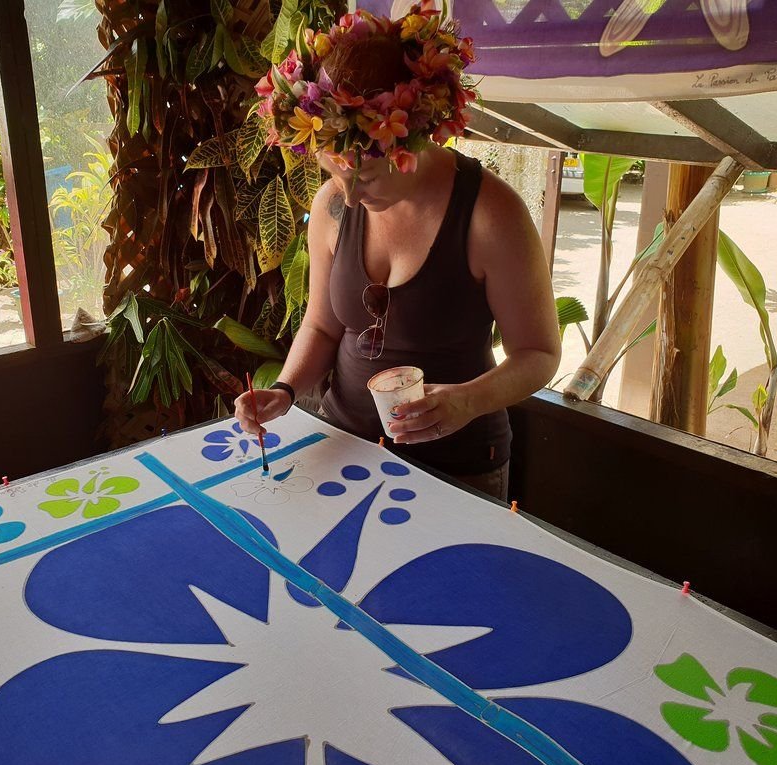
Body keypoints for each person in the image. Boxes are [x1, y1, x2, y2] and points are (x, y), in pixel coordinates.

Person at [234, 5, 559, 500]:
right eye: (334, 175)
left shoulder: (491, 214)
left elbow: (538, 354)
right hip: (344, 448)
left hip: (456, 469)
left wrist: (467, 401)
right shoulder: (334, 207)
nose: (347, 197)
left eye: (363, 178)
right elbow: (322, 325)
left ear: (412, 139)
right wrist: (284, 390)